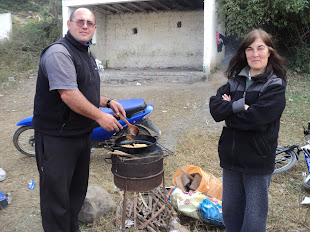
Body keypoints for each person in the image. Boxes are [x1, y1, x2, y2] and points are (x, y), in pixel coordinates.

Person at [33, 8, 126, 232]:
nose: (85, 26)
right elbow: (68, 94)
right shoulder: (59, 53)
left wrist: (108, 102)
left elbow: (84, 91)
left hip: (79, 136)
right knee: (56, 200)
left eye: (89, 23)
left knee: (75, 194)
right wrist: (99, 116)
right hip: (57, 138)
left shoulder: (85, 53)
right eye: (80, 21)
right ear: (69, 24)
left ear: (94, 28)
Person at [209, 29, 287, 232]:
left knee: (253, 222)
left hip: (257, 160)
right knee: (231, 215)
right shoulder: (235, 81)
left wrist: (230, 112)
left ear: (269, 51)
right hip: (232, 159)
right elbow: (215, 109)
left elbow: (257, 120)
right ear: (244, 53)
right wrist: (240, 107)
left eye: (260, 48)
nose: (255, 54)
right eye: (250, 49)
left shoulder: (275, 85)